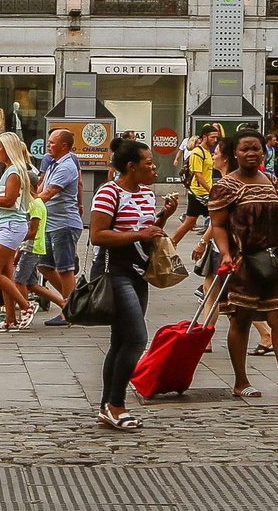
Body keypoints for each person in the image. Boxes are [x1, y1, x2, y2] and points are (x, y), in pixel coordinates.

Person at [210, 131, 278, 399]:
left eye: (256, 148)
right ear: (235, 154)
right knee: (240, 318)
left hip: (275, 261)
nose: (251, 153)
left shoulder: (275, 183)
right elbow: (217, 224)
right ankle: (241, 381)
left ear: (264, 152)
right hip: (243, 260)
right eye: (245, 149)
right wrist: (225, 253)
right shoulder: (226, 186)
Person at [89, 135, 164, 431]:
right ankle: (116, 404)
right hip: (113, 270)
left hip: (138, 271)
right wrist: (139, 235)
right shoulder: (108, 193)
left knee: (120, 341)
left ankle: (107, 406)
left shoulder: (146, 193)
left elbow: (143, 228)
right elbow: (98, 235)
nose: (154, 168)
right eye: (149, 164)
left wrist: (162, 218)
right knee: (135, 338)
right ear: (131, 167)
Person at [0, 133, 34, 332]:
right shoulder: (11, 170)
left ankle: (26, 306)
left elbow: (10, 201)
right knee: (5, 273)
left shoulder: (13, 172)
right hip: (4, 225)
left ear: (9, 148)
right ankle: (10, 319)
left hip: (10, 226)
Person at [36, 126, 84, 321]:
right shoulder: (54, 164)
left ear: (64, 146)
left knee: (65, 269)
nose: (48, 145)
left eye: (52, 142)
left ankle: (70, 312)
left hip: (63, 224)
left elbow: (48, 194)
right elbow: (42, 188)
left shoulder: (65, 167)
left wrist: (28, 206)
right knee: (44, 266)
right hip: (51, 223)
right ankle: (71, 299)